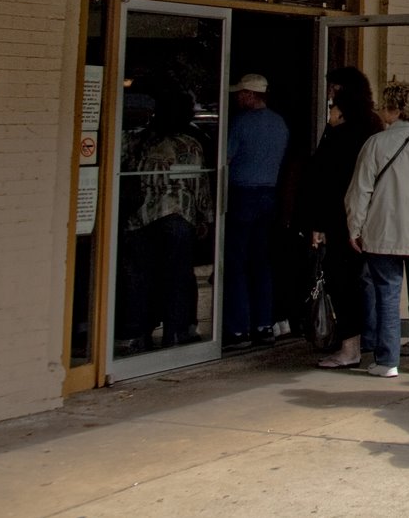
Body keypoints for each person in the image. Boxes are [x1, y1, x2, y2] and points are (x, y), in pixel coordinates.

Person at [346, 80, 409, 376]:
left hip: (384, 233)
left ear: (391, 110)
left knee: (387, 296)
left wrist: (355, 227)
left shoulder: (375, 144)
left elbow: (360, 191)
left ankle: (387, 359)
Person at [118, 81, 210, 352]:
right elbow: (199, 184)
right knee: (177, 276)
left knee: (140, 277)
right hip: (178, 217)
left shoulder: (138, 141)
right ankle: (176, 332)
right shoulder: (190, 144)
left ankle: (138, 334)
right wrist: (205, 217)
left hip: (140, 217)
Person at [307, 66, 382, 368]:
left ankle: (350, 346)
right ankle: (372, 341)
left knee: (343, 281)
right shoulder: (373, 126)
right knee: (367, 283)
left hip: (343, 218)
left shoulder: (343, 131)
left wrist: (318, 223)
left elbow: (325, 176)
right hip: (369, 217)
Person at [223, 74, 290, 350]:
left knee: (236, 262)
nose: (237, 98)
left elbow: (225, 158)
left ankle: (238, 329)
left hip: (243, 193)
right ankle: (264, 324)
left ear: (251, 94)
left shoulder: (241, 123)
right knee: (261, 261)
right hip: (270, 194)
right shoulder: (279, 123)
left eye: (241, 93)